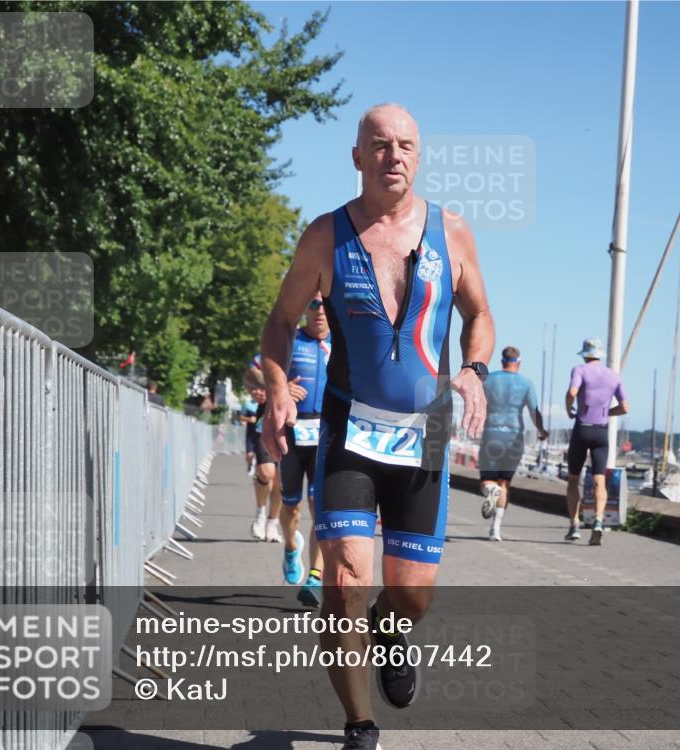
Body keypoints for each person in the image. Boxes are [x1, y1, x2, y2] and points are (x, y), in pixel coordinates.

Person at [260, 103, 493, 750]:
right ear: (358, 156)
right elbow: (279, 323)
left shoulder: (452, 232)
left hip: (429, 433)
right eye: (381, 144)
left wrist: (474, 369)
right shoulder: (324, 236)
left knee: (413, 596)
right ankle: (360, 725)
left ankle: (393, 633)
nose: (395, 155)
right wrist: (278, 390)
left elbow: (479, 315)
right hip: (349, 427)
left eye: (407, 145)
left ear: (419, 156)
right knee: (342, 582)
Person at [278, 295, 331, 607]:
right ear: (305, 310)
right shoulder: (291, 340)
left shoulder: (341, 344)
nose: (320, 310)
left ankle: (314, 576)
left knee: (320, 506)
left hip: (325, 435)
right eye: (312, 304)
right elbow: (254, 372)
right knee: (292, 508)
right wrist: (279, 388)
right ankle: (289, 546)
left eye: (325, 304)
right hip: (293, 435)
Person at [478, 346, 547, 541]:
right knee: (505, 483)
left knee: (488, 480)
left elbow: (478, 403)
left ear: (502, 361)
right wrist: (541, 431)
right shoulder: (526, 383)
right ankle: (495, 530)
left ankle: (491, 490)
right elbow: (534, 411)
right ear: (519, 362)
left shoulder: (488, 379)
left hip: (492, 433)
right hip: (514, 435)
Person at [564, 338, 628, 546]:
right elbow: (625, 408)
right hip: (601, 431)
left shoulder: (580, 370)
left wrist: (569, 408)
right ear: (600, 355)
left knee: (574, 479)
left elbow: (572, 392)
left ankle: (574, 524)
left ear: (584, 354)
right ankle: (599, 521)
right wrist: (607, 412)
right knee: (600, 479)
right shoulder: (614, 376)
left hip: (582, 428)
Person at [241, 369, 283, 542]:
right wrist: (249, 448)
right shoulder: (255, 406)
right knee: (266, 472)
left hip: (286, 434)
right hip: (263, 435)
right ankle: (260, 514)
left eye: (260, 389)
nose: (257, 393)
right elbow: (251, 428)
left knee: (280, 484)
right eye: (253, 390)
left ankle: (273, 523)